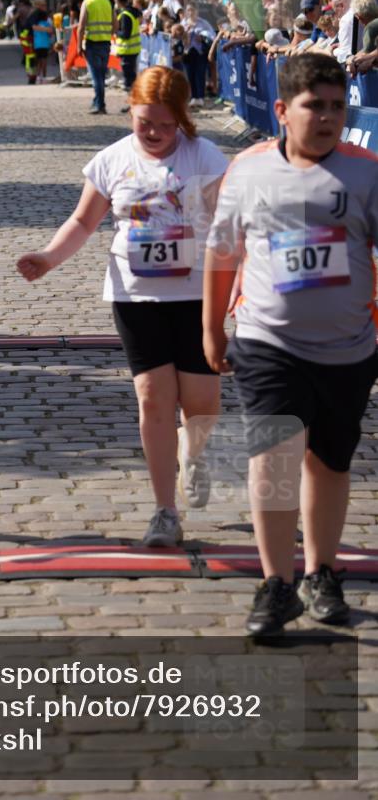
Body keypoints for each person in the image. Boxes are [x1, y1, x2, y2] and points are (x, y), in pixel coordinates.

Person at [203, 55, 377, 636]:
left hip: (347, 348)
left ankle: (322, 573)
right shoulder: (248, 169)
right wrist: (211, 328)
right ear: (281, 110)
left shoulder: (366, 172)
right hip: (266, 341)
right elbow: (222, 251)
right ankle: (276, 583)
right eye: (313, 106)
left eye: (337, 107)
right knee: (272, 459)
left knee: (329, 462)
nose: (327, 117)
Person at [17, 66, 228, 546]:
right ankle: (164, 511)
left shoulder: (205, 156)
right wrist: (49, 257)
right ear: (130, 111)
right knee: (153, 397)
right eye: (144, 122)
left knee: (200, 404)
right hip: (135, 296)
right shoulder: (111, 160)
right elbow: (82, 221)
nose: (154, 133)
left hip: (196, 295)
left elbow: (228, 222)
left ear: (182, 118)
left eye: (165, 125)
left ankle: (193, 452)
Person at [77, 0, 114, 115]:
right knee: (101, 75)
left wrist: (79, 46)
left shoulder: (87, 2)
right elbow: (115, 24)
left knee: (96, 76)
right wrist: (108, 34)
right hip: (106, 43)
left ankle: (100, 105)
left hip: (92, 44)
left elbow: (81, 26)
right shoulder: (107, 2)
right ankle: (97, 101)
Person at [114, 0, 142, 111]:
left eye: (116, 1)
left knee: (129, 80)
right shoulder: (133, 11)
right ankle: (134, 103)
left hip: (127, 50)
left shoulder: (125, 15)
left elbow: (125, 34)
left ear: (120, 1)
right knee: (131, 78)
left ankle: (132, 104)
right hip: (133, 49)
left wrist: (116, 32)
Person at [30, 0, 54, 84]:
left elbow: (33, 31)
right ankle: (44, 77)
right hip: (45, 45)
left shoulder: (37, 23)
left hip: (37, 45)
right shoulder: (47, 24)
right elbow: (50, 33)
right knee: (44, 61)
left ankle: (37, 77)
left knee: (38, 62)